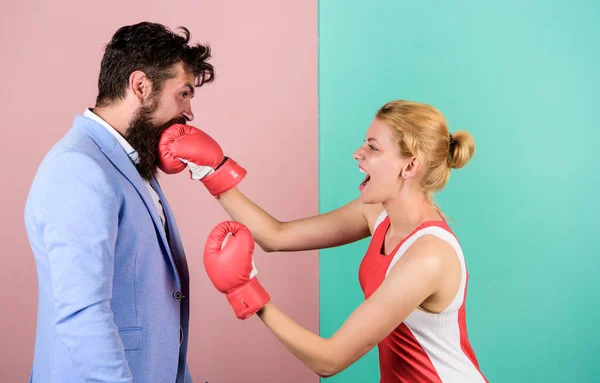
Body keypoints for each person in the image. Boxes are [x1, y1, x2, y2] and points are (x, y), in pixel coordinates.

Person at [158, 100, 488, 382]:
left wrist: (246, 293)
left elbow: (330, 359)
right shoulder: (377, 215)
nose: (358, 154)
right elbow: (276, 235)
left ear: (410, 165)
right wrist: (212, 172)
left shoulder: (428, 256)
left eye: (373, 147)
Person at [23, 22, 231, 382]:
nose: (189, 113)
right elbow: (83, 314)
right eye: (183, 94)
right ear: (140, 86)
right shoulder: (78, 169)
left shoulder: (131, 162)